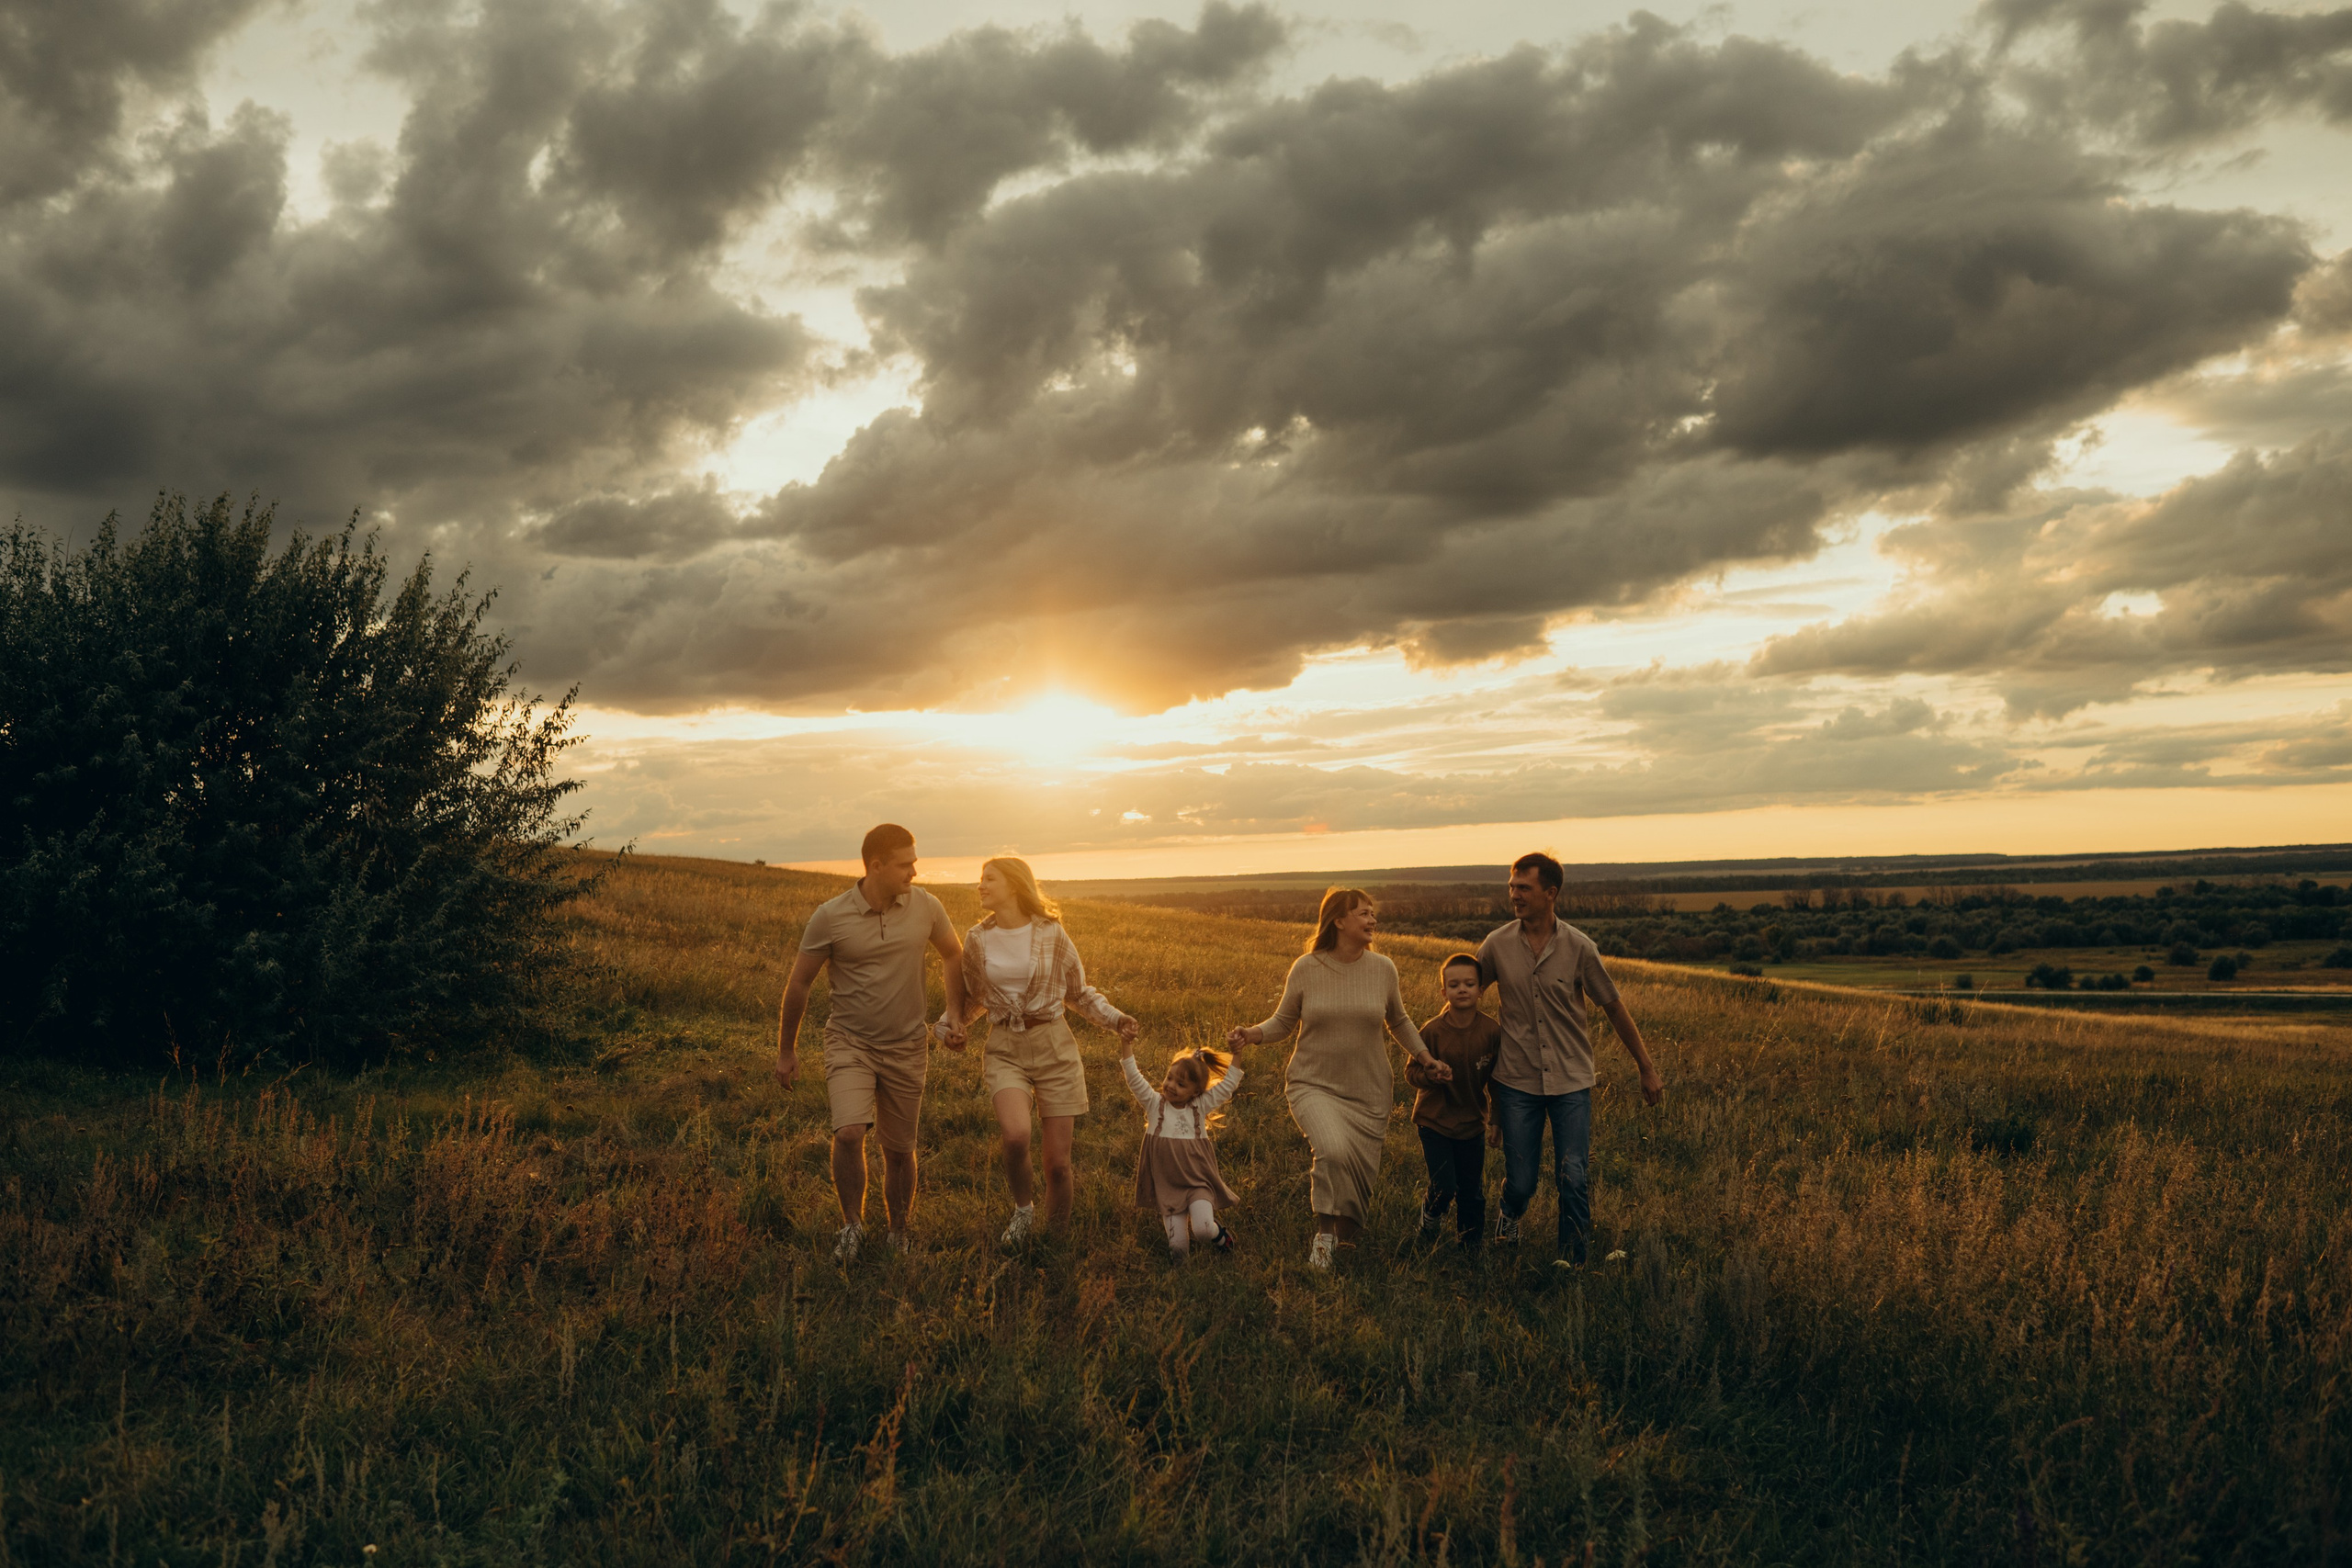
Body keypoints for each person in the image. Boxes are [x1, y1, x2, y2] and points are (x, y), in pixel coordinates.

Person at [1227, 887, 1451, 1272]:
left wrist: (1426, 1058)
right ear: (1339, 921)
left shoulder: (1383, 968)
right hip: (1313, 1083)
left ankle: (1344, 1244)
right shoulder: (1307, 967)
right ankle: (1324, 1236)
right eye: (1363, 913)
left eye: (1373, 913)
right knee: (1332, 1151)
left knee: (1359, 1177)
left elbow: (1398, 1020)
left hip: (1369, 1091)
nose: (1372, 920)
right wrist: (1251, 1033)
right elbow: (1283, 1021)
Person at [774, 824, 968, 1264]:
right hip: (850, 1042)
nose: (915, 871)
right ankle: (852, 1227)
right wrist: (787, 1050)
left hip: (907, 1045)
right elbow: (800, 983)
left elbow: (953, 953)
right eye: (905, 864)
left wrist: (954, 1013)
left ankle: (898, 1232)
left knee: (899, 1149)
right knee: (848, 1134)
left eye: (914, 862)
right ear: (876, 866)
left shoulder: (927, 906)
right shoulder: (830, 916)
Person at [1477, 852, 1663, 1267]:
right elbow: (1467, 996)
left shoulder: (1579, 947)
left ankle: (1572, 1264)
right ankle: (1510, 1214)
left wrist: (1646, 1067)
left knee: (1573, 1176)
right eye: (1511, 887)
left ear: (1551, 893)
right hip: (1516, 1082)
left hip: (1571, 1081)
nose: (1514, 895)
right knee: (1521, 1183)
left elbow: (1613, 1006)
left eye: (1524, 888)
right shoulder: (1496, 945)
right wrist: (1438, 1048)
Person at [954, 855, 1140, 1247]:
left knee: (1058, 1165)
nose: (981, 885)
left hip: (1054, 1046)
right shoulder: (976, 938)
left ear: (1014, 884)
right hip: (1005, 1046)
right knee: (1016, 1136)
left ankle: (1054, 1243)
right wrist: (950, 1026)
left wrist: (1116, 1018)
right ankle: (1023, 1211)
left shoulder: (1051, 933)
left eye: (989, 878)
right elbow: (973, 997)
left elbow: (1078, 993)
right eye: (981, 878)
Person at [1408, 952, 1502, 1251]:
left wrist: (1497, 1119)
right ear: (1443, 992)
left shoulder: (1491, 1031)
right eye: (1454, 985)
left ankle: (1470, 1247)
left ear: (1481, 990)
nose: (1462, 990)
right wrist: (1430, 1076)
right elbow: (1411, 1072)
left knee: (1471, 1191)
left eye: (1469, 984)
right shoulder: (1432, 1031)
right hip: (1434, 1121)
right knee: (1444, 1187)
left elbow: (1498, 1079)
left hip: (1472, 1123)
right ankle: (1430, 1218)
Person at [1120, 1037, 1244, 1263]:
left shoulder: (1199, 1107)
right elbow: (1133, 1078)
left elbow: (1228, 1086)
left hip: (1197, 1182)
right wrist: (1125, 1043)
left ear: (1195, 1092)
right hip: (1167, 1186)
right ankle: (1183, 1274)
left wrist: (1238, 1053)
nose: (1170, 1086)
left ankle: (1219, 1236)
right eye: (1169, 1078)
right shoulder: (1154, 1104)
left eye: (1181, 1084)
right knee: (1178, 1252)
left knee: (1203, 1230)